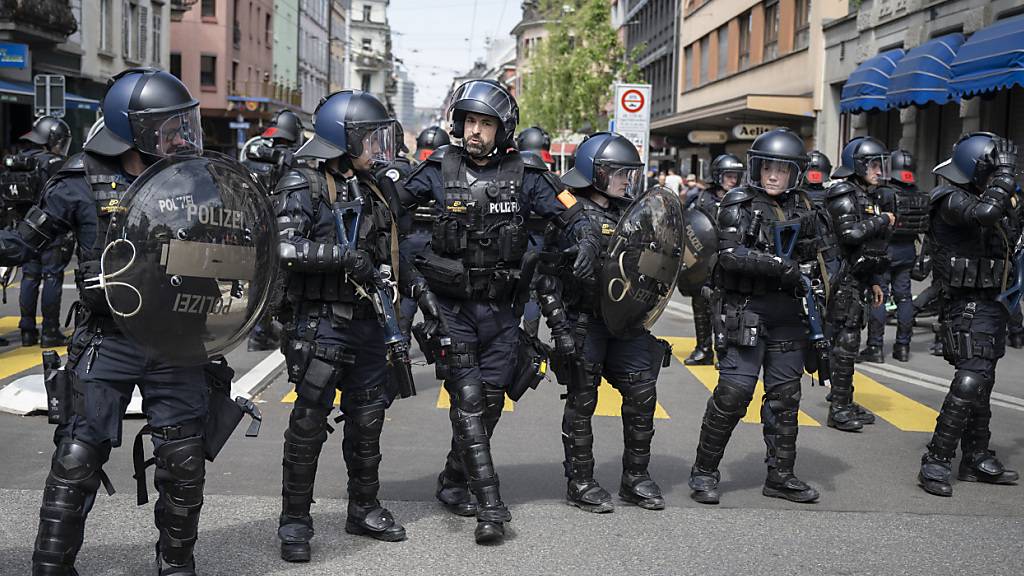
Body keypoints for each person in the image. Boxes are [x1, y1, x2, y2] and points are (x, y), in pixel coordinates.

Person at [0, 67, 221, 576]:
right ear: (134, 128)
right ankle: (51, 566)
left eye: (183, 125)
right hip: (108, 340)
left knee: (183, 461)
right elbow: (24, 242)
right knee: (77, 457)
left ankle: (177, 566)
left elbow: (232, 248)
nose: (183, 137)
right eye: (169, 128)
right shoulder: (78, 181)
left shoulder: (198, 179)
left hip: (177, 340)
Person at [401, 79, 600, 544]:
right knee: (468, 402)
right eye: (469, 121)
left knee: (488, 406)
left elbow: (573, 210)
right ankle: (491, 506)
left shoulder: (527, 175)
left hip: (504, 313)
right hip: (452, 309)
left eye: (484, 123)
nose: (475, 131)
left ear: (502, 128)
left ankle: (452, 480)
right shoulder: (435, 169)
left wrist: (588, 237)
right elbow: (386, 212)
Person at [273, 90, 445, 561]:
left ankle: (363, 508)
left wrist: (421, 293)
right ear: (342, 139)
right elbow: (284, 249)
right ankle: (295, 522)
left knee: (368, 421)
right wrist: (342, 258)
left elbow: (393, 253)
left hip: (372, 322)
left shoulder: (376, 186)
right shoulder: (301, 182)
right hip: (322, 323)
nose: (377, 148)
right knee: (308, 423)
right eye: (369, 138)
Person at [688, 128, 834, 504]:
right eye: (767, 167)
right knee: (733, 394)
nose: (773, 175)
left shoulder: (807, 207)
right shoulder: (738, 203)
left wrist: (829, 294)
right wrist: (776, 266)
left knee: (785, 397)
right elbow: (730, 255)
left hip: (788, 314)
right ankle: (704, 472)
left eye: (781, 170)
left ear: (794, 174)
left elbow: (826, 257)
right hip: (746, 311)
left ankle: (781, 475)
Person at [536, 132, 666, 513]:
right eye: (621, 173)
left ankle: (636, 478)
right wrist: (559, 329)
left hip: (625, 324)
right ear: (597, 171)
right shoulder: (567, 214)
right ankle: (580, 481)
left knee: (643, 395)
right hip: (583, 321)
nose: (628, 180)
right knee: (582, 400)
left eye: (631, 173)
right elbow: (546, 280)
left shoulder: (634, 213)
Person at [918, 132, 1021, 497]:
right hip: (965, 304)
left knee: (983, 382)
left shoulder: (991, 197)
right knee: (970, 380)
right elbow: (984, 215)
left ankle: (976, 455)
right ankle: (936, 459)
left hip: (993, 302)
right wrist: (1005, 178)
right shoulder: (949, 198)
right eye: (993, 171)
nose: (1000, 178)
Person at [823, 136, 895, 432]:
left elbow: (868, 246)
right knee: (846, 342)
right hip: (840, 278)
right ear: (858, 166)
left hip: (858, 276)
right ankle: (838, 407)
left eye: (881, 165)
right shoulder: (843, 192)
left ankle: (844, 399)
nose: (879, 171)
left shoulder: (866, 194)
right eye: (873, 165)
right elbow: (850, 235)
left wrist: (875, 281)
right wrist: (883, 221)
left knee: (850, 340)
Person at [0, 117, 73, 347]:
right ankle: (50, 331)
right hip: (50, 229)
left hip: (23, 231)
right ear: (52, 140)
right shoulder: (53, 163)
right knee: (52, 276)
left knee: (29, 278)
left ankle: (27, 330)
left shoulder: (20, 160)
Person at [244, 109, 307, 352]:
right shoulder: (291, 159)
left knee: (258, 280)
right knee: (280, 281)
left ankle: (260, 330)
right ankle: (267, 331)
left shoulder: (255, 154)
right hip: (276, 226)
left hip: (254, 224)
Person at [862, 149, 928, 362]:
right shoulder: (917, 191)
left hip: (885, 251)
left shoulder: (884, 193)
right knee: (904, 298)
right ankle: (903, 347)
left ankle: (875, 347)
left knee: (879, 297)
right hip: (908, 251)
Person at [682, 153, 745, 366]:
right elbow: (690, 224)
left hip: (732, 259)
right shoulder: (703, 198)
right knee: (700, 304)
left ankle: (726, 353)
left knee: (729, 309)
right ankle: (703, 348)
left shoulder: (743, 198)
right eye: (728, 175)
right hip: (705, 261)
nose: (732, 180)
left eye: (736, 176)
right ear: (718, 176)